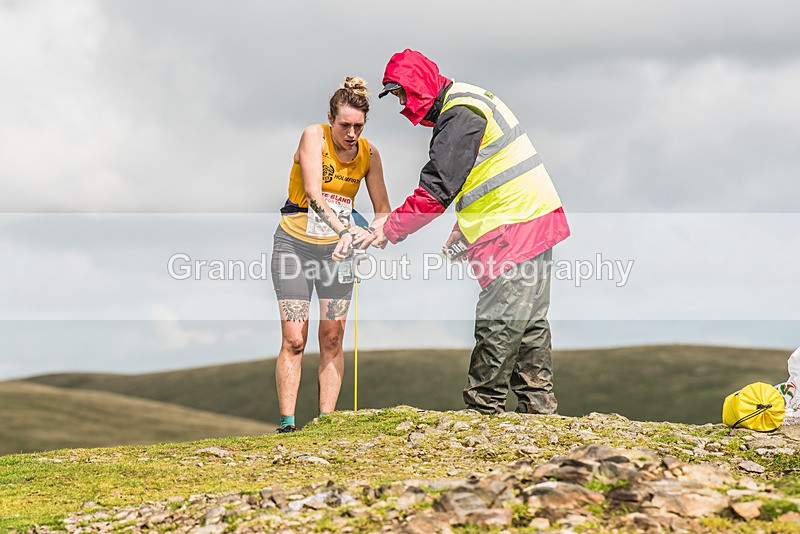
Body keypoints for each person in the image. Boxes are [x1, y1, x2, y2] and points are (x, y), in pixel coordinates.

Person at [373, 50, 570, 415]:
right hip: (533, 216)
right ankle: (538, 409)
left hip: (513, 225)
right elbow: (477, 174)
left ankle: (484, 410)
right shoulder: (467, 100)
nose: (402, 104)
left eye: (402, 94)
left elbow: (437, 187)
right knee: (527, 323)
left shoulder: (459, 113)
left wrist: (391, 228)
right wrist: (461, 228)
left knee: (498, 320)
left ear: (418, 87)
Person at [271, 77, 390, 432]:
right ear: (330, 118)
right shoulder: (314, 136)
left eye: (358, 126)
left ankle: (326, 424)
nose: (351, 134)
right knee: (295, 338)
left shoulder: (369, 153)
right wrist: (343, 230)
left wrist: (376, 231)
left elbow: (383, 207)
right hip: (295, 245)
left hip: (338, 257)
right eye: (344, 125)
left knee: (333, 336)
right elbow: (312, 193)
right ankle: (287, 425)